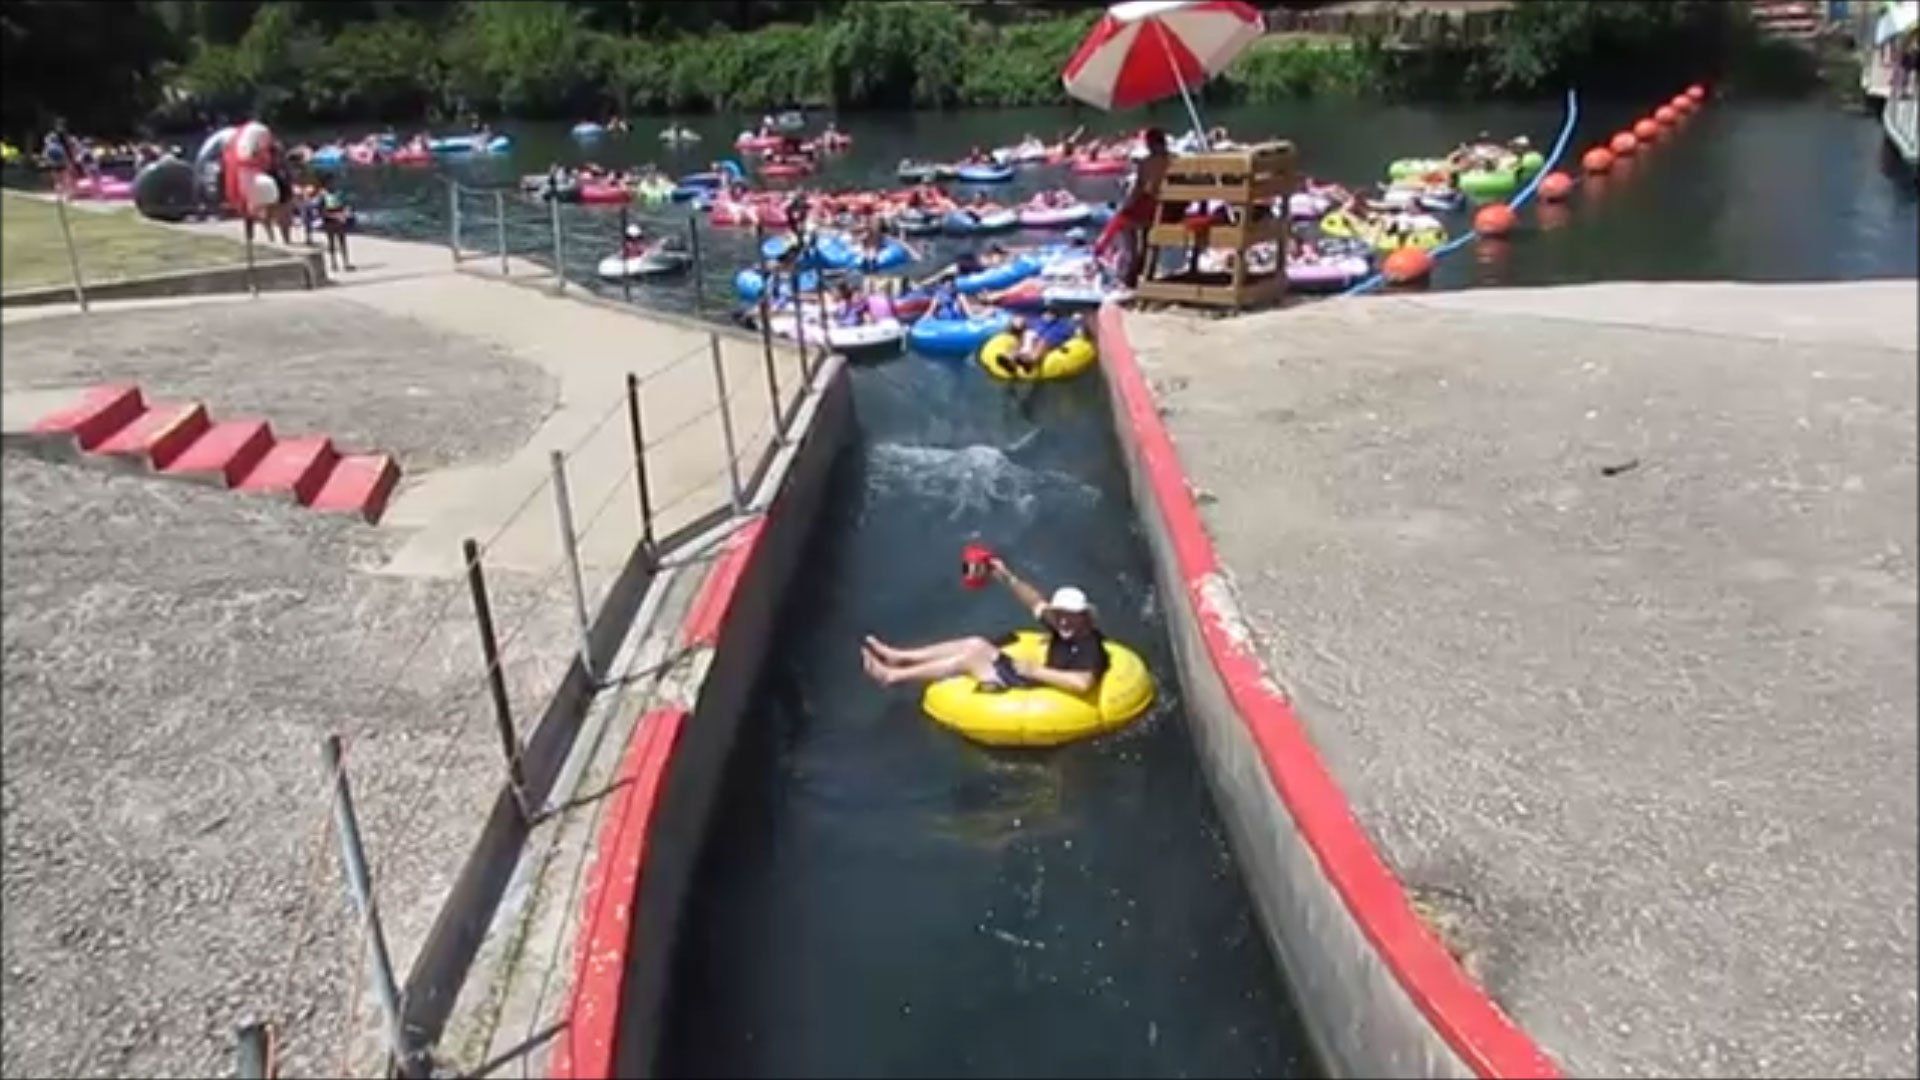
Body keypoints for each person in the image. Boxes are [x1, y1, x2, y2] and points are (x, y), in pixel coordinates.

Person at [861, 559, 1109, 694]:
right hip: (1025, 675)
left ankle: (894, 676)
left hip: (1034, 689)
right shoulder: (1064, 628)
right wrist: (1006, 576)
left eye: (1069, 617)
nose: (1062, 621)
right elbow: (1036, 602)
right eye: (1060, 615)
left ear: (1083, 617)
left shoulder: (1089, 645)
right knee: (975, 643)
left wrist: (1034, 670)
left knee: (970, 658)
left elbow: (1083, 683)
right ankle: (898, 656)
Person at [1095, 127, 1170, 288]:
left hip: (1152, 210)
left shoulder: (1147, 163)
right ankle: (1142, 267)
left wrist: (1124, 207)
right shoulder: (1176, 160)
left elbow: (1138, 190)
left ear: (1150, 144)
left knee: (1123, 220)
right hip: (1170, 209)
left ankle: (1131, 269)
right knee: (1142, 230)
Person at [318, 173, 353, 272]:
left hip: (339, 218)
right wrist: (333, 216)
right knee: (331, 242)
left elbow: (345, 205)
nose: (332, 184)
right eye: (330, 182)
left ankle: (345, 262)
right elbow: (321, 211)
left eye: (333, 182)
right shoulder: (323, 195)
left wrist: (345, 213)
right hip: (329, 220)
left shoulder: (339, 193)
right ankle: (333, 262)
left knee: (342, 241)